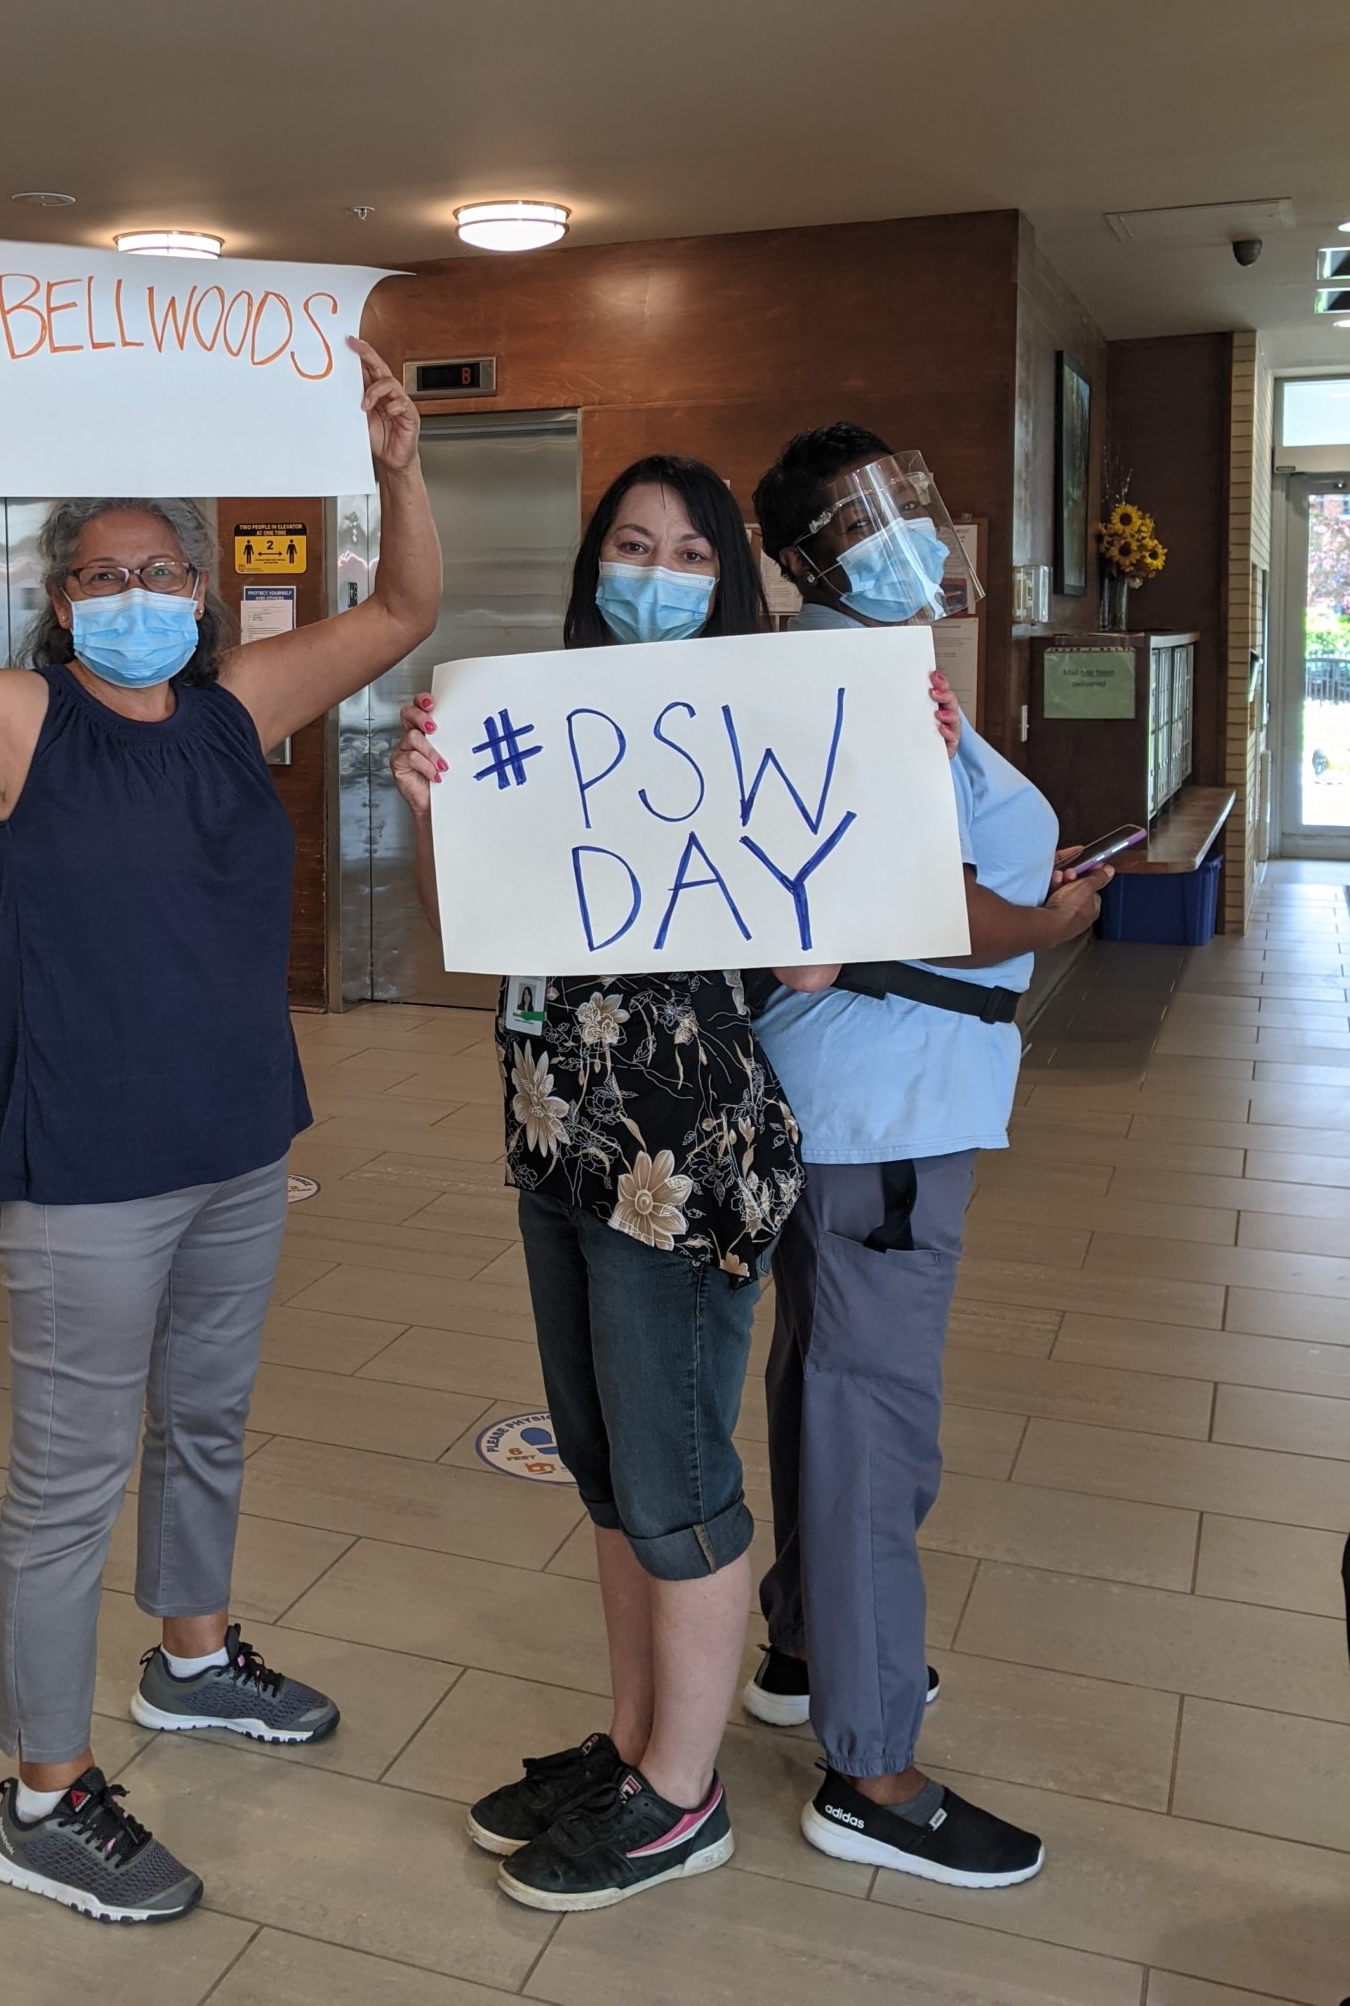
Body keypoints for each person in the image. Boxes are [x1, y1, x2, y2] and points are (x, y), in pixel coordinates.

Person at [0, 324, 440, 1926]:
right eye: (98, 572)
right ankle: (42, 1790)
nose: (132, 591)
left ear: (202, 592)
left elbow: (407, 608)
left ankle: (194, 1658)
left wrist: (399, 467)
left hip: (238, 1148)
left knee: (206, 1424)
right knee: (70, 1480)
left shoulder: (235, 708)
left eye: (159, 568)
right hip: (85, 1177)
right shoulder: (20, 726)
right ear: (60, 602)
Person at [390, 453, 955, 1915]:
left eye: (692, 553)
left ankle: (680, 1800)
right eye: (633, 546)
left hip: (684, 1163)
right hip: (555, 1137)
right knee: (608, 1475)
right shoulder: (536, 721)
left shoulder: (769, 727)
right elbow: (478, 936)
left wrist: (897, 762)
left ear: (734, 582)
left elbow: (812, 959)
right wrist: (430, 806)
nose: (657, 572)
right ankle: (638, 1740)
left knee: (678, 1483)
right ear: (595, 566)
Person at [745, 423, 1111, 1890]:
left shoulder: (879, 663)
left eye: (910, 497)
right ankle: (872, 1766)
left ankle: (806, 1647)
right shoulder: (849, 674)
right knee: (872, 1419)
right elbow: (919, 893)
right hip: (881, 1114)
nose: (905, 530)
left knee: (818, 1380)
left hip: (850, 1100)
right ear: (800, 558)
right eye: (860, 515)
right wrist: (1057, 923)